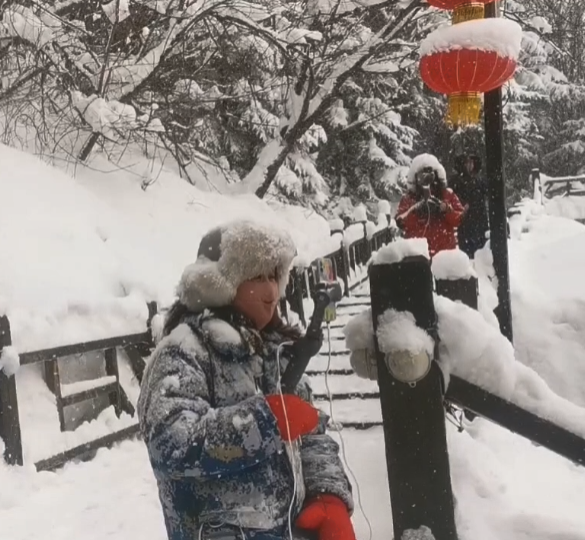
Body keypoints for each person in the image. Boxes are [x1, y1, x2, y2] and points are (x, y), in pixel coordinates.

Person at [137, 220, 355, 540]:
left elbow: (311, 433)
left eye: (273, 277)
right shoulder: (183, 351)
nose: (271, 291)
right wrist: (265, 421)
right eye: (256, 276)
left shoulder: (274, 351)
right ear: (220, 283)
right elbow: (170, 442)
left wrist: (328, 495)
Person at [395, 154, 465, 257]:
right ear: (415, 178)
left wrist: (446, 210)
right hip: (417, 256)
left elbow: (459, 217)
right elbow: (401, 221)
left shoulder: (447, 195)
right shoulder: (409, 199)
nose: (427, 180)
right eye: (422, 176)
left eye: (431, 175)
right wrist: (416, 212)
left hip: (444, 254)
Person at [451, 154, 489, 258]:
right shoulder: (457, 181)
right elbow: (452, 198)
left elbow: (488, 191)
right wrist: (463, 205)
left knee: (480, 251)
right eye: (468, 163)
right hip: (466, 223)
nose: (470, 165)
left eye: (471, 162)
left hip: (478, 222)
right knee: (469, 253)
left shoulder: (478, 180)